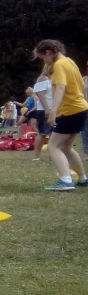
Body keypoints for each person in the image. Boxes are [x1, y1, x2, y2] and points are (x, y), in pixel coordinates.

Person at [34, 40, 88, 190]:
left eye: (43, 57)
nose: (43, 61)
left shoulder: (58, 65)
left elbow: (60, 89)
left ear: (49, 52)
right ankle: (83, 179)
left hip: (70, 110)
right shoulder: (70, 62)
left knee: (53, 146)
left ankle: (66, 180)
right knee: (66, 146)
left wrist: (53, 112)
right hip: (80, 108)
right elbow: (82, 87)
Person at [32, 72, 53, 160]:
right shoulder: (43, 78)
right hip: (45, 109)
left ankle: (53, 155)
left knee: (54, 133)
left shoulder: (56, 78)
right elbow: (41, 95)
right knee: (42, 133)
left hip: (55, 109)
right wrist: (47, 109)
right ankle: (37, 156)